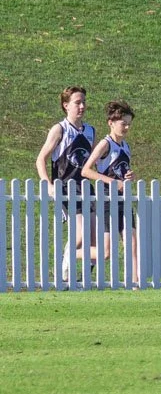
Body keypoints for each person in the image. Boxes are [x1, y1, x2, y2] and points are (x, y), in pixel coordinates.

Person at [34, 87, 94, 280]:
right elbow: (41, 159)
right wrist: (48, 184)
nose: (82, 106)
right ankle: (64, 271)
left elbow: (93, 163)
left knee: (96, 236)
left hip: (87, 189)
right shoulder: (60, 129)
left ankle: (85, 276)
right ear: (66, 105)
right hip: (67, 189)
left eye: (84, 102)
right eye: (77, 103)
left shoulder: (90, 131)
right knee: (80, 233)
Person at [81, 101, 137, 278]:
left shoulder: (125, 146)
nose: (127, 127)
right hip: (106, 200)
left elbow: (119, 170)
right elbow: (86, 170)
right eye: (123, 123)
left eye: (129, 124)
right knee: (105, 253)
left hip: (123, 199)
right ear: (111, 123)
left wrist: (129, 176)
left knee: (132, 244)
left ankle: (136, 286)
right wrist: (113, 182)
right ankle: (69, 254)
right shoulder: (105, 144)